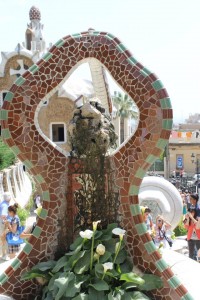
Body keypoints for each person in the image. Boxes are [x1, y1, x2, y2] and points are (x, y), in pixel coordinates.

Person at [0, 192, 11, 260]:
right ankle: (4, 255)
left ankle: (4, 254)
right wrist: (7, 225)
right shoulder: (5, 205)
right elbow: (3, 216)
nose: (10, 197)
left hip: (2, 224)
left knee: (3, 239)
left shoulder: (4, 203)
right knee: (4, 239)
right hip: (3, 225)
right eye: (9, 196)